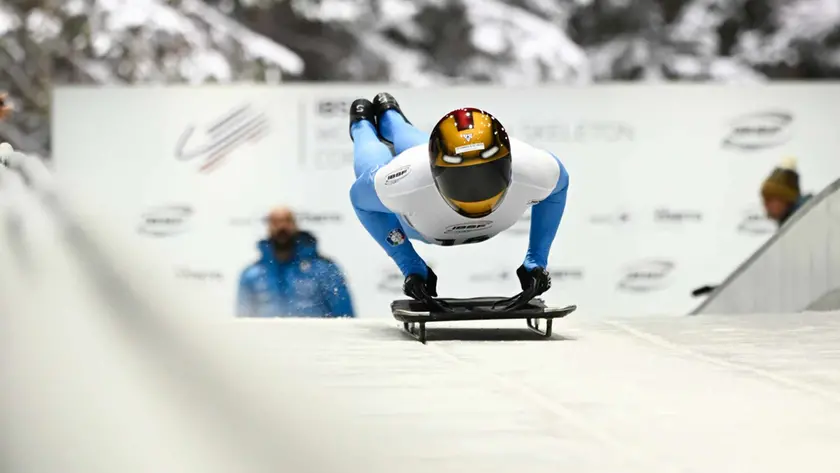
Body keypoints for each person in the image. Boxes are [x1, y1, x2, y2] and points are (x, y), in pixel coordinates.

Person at [348, 93, 569, 305]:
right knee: (374, 170)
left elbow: (559, 186)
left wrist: (536, 260)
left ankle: (389, 117)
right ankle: (363, 125)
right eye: (460, 180)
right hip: (415, 182)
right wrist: (409, 264)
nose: (474, 192)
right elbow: (360, 199)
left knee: (416, 150)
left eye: (487, 175)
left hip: (423, 207)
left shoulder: (533, 168)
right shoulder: (404, 180)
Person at [237, 206, 354, 318]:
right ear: (268, 227)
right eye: (275, 222)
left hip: (314, 338)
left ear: (295, 225)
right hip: (265, 337)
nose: (282, 227)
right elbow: (243, 319)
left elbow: (344, 315)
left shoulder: (324, 270)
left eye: (287, 220)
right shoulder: (252, 275)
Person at [761, 157, 812, 227]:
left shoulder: (809, 221)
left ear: (786, 198)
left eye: (770, 199)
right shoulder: (789, 225)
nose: (765, 204)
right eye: (765, 198)